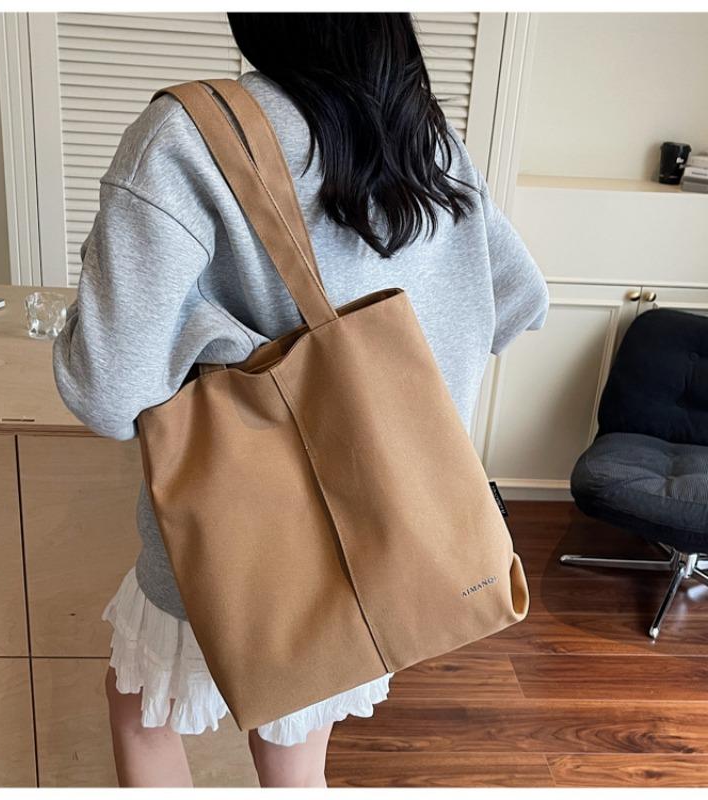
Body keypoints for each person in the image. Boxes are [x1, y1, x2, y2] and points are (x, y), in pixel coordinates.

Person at [52, 12, 550, 789]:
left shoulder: (186, 135)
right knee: (294, 762)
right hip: (392, 534)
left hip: (242, 547)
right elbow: (520, 301)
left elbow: (107, 390)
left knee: (140, 710)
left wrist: (205, 335)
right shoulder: (421, 134)